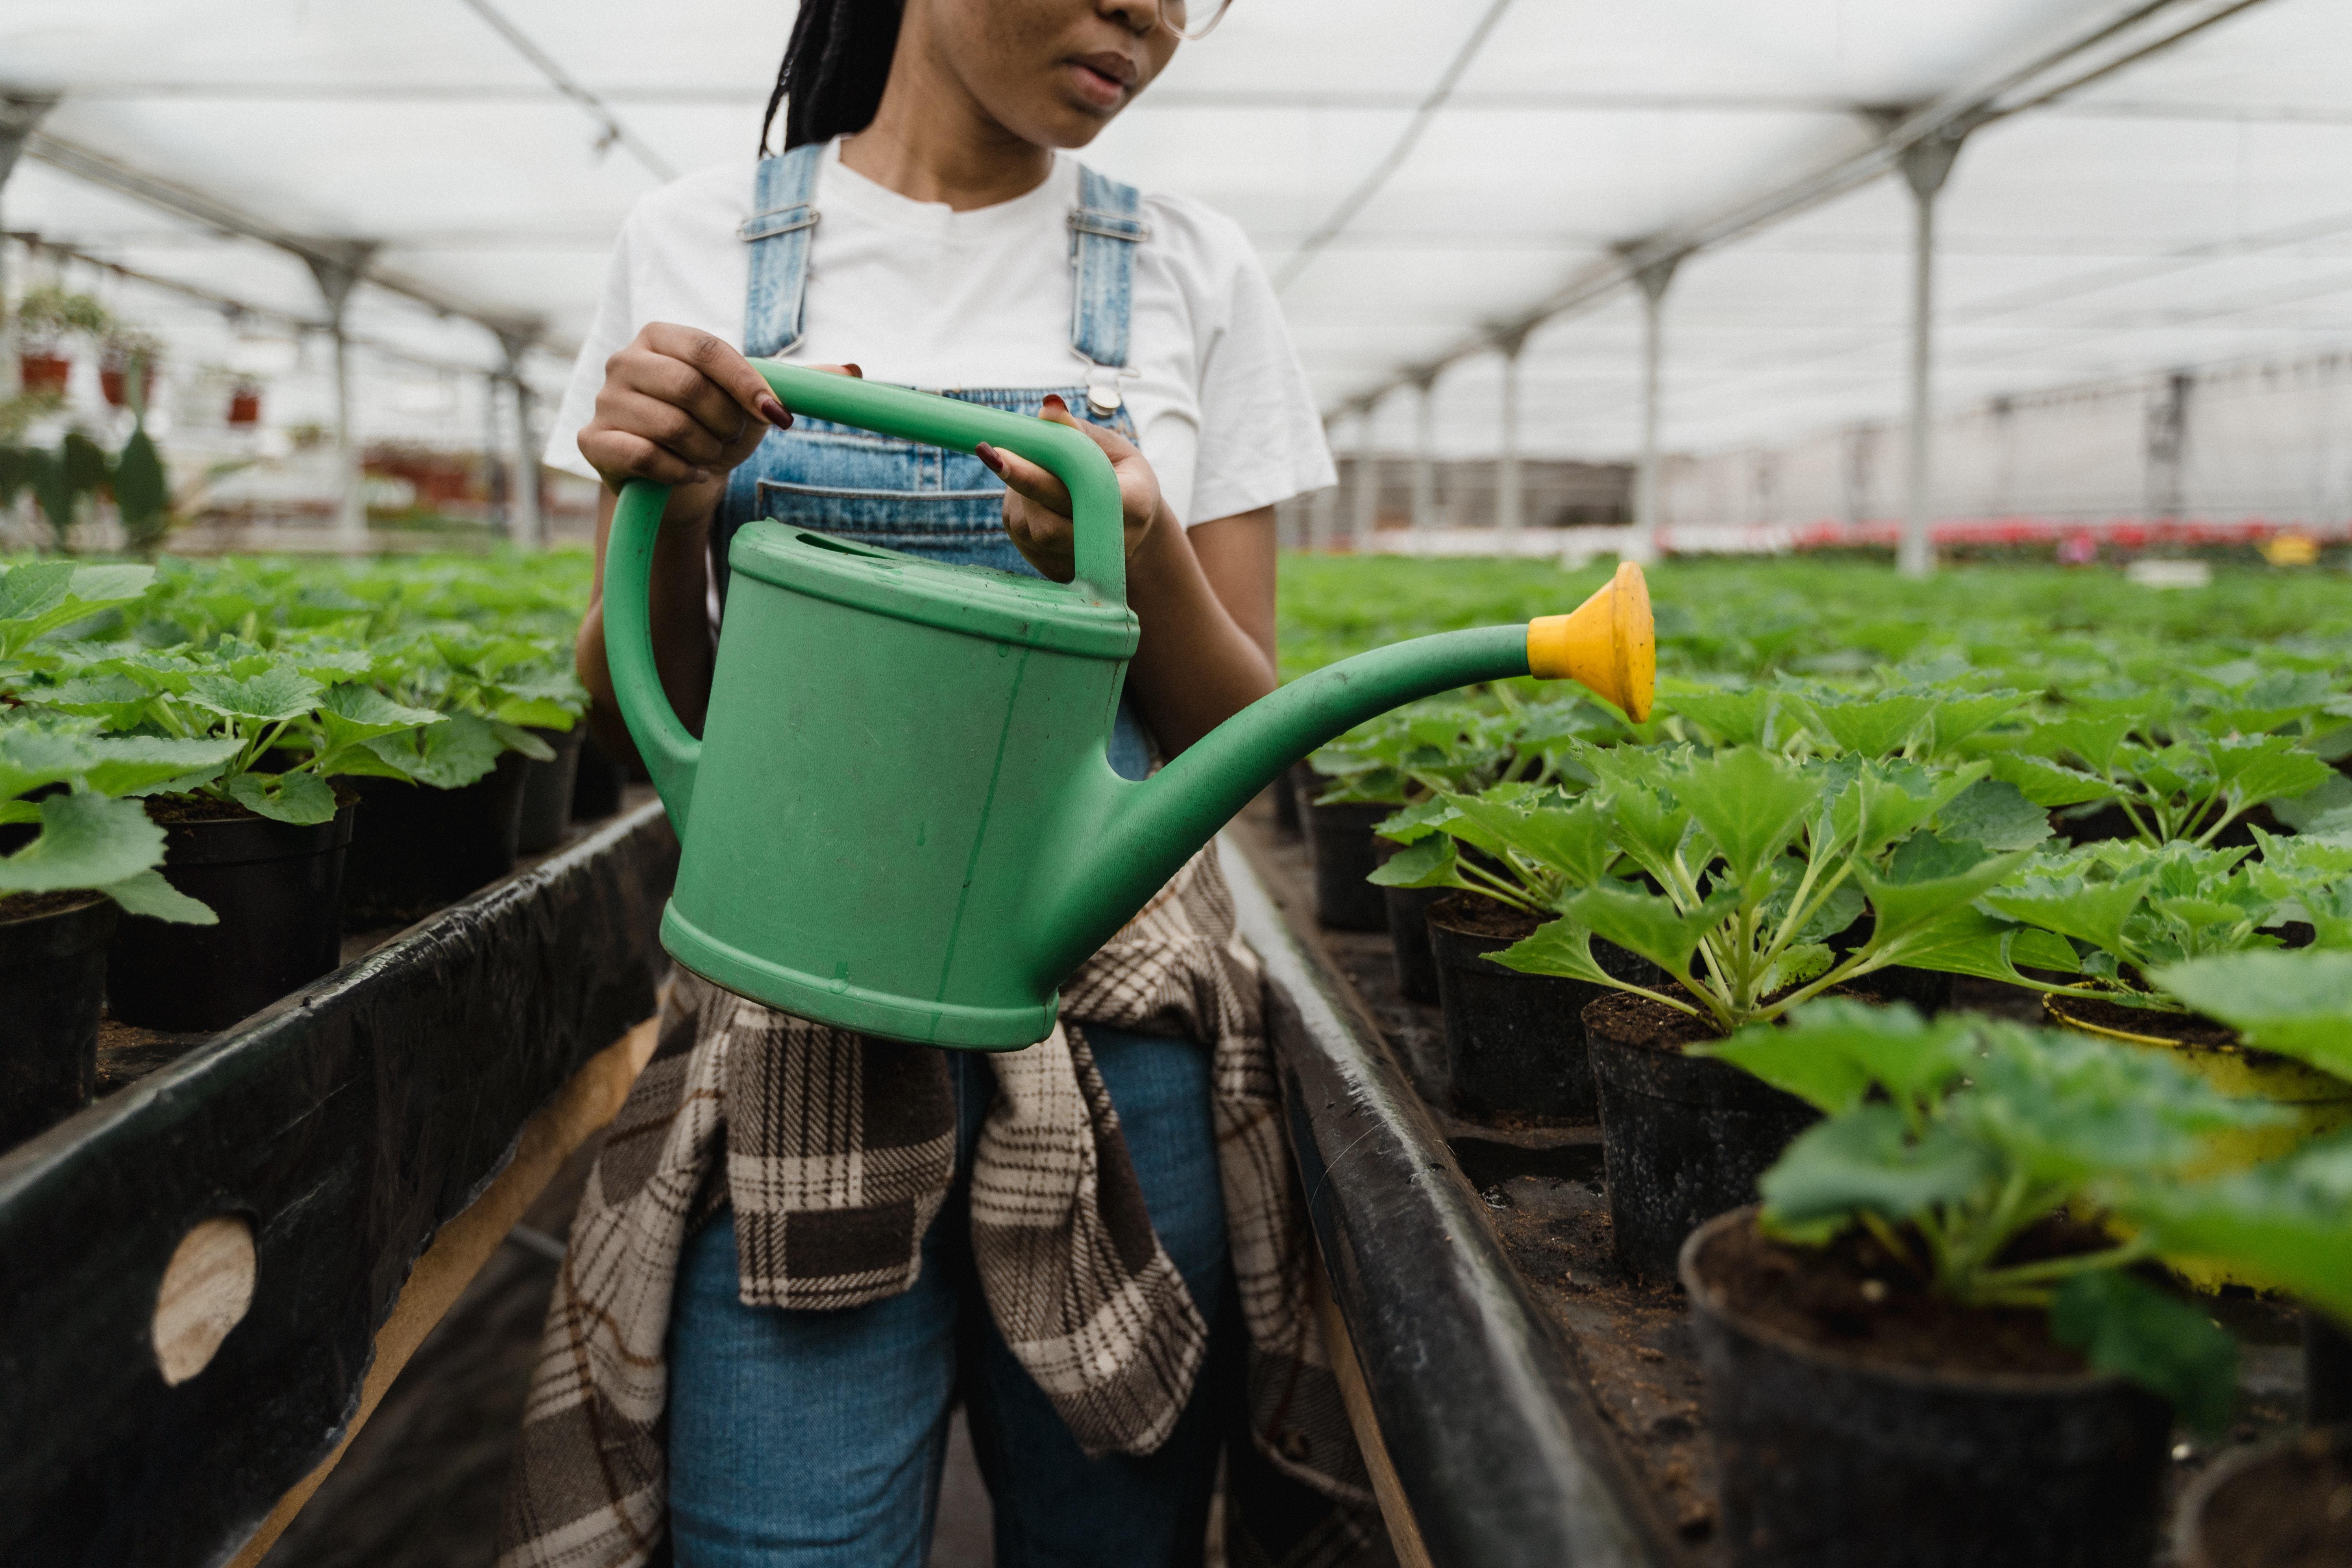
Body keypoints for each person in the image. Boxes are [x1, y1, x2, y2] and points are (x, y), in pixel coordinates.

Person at [497, 3, 1383, 1566]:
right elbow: (656, 719)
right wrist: (683, 498)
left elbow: (1241, 727)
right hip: (796, 1037)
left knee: (1114, 1539)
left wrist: (1138, 551)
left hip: (1122, 1050)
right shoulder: (697, 242)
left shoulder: (1191, 267)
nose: (1153, 17)